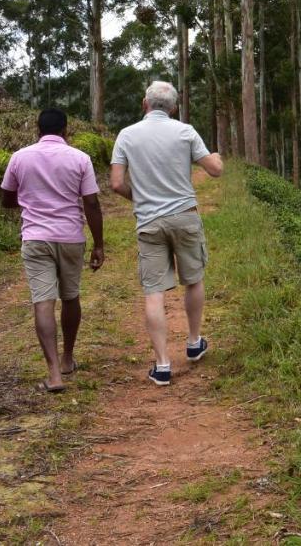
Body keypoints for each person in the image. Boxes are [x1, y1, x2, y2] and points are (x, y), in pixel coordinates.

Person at [109, 81, 223, 386]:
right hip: (184, 217)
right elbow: (214, 169)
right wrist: (217, 156)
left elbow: (117, 183)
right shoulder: (185, 131)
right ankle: (194, 341)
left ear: (144, 104)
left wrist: (143, 199)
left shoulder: (126, 135)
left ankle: (161, 365)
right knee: (194, 279)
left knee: (153, 293)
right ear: (173, 108)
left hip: (149, 222)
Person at [1, 108, 105, 393]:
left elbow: (7, 199)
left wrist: (31, 200)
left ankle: (54, 374)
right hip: (71, 238)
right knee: (70, 297)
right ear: (65, 130)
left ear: (37, 129)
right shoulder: (80, 158)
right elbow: (92, 204)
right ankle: (69, 358)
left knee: (43, 302)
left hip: (35, 238)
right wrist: (99, 244)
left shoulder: (19, 157)